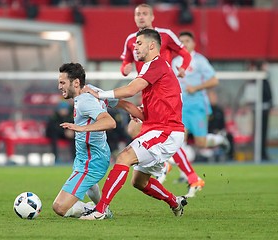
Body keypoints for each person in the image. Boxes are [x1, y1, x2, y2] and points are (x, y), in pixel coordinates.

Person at [80, 29, 187, 220]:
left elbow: (130, 90)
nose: (134, 46)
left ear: (152, 45)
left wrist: (101, 94)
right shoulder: (154, 69)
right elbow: (138, 110)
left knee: (124, 157)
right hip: (159, 129)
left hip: (166, 131)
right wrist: (113, 102)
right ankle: (175, 201)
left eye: (138, 43)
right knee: (139, 182)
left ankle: (100, 210)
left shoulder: (156, 64)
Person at [120, 3, 203, 198]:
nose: (141, 17)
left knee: (167, 131)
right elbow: (126, 61)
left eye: (144, 13)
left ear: (152, 16)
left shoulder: (164, 35)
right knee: (136, 130)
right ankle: (162, 164)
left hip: (165, 91)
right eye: (137, 14)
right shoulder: (131, 40)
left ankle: (189, 175)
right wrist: (125, 68)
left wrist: (183, 67)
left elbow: (184, 53)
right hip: (146, 90)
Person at [52, 62, 144, 218]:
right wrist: (142, 116)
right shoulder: (94, 90)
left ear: (75, 83)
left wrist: (80, 128)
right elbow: (122, 103)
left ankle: (95, 210)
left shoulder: (84, 101)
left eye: (62, 82)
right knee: (89, 185)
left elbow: (110, 122)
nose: (59, 86)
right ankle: (103, 208)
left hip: (92, 160)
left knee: (60, 207)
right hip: (87, 155)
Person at [170, 31, 230, 195]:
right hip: (180, 107)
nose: (184, 44)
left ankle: (220, 139)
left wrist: (195, 88)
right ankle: (185, 174)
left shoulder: (200, 61)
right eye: (181, 41)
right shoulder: (175, 61)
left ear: (193, 43)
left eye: (187, 40)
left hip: (198, 107)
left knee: (201, 143)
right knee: (179, 139)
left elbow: (214, 80)